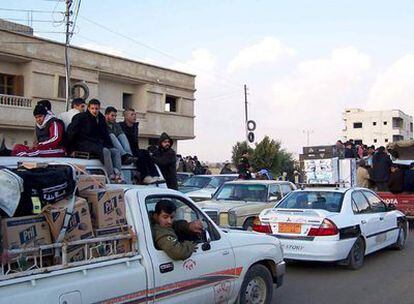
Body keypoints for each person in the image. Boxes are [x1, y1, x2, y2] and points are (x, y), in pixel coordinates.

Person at [67, 99, 123, 182]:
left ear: (99, 109)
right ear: (88, 108)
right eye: (92, 108)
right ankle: (111, 176)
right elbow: (71, 132)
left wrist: (110, 145)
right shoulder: (80, 117)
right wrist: (70, 149)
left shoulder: (101, 118)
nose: (94, 111)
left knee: (116, 152)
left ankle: (118, 175)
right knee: (105, 151)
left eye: (96, 109)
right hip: (83, 143)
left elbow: (105, 134)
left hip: (98, 143)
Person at [119, 108, 160, 184]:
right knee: (140, 155)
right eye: (132, 114)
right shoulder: (120, 126)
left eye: (135, 114)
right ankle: (145, 176)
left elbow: (135, 142)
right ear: (126, 116)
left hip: (134, 149)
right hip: (125, 150)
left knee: (145, 152)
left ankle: (155, 175)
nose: (134, 116)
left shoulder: (135, 127)